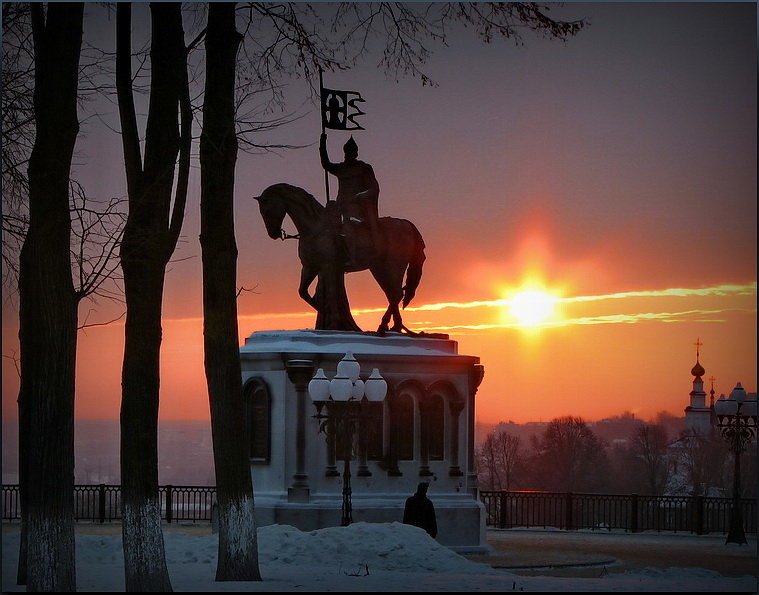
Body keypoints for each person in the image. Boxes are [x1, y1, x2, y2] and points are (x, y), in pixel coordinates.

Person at [319, 133, 381, 266]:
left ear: (356, 154)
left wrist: (361, 195)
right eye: (347, 153)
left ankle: (352, 258)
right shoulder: (340, 168)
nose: (349, 156)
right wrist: (322, 145)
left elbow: (374, 188)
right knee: (323, 222)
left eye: (351, 153)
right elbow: (326, 164)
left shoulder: (363, 168)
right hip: (340, 205)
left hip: (357, 207)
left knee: (348, 226)